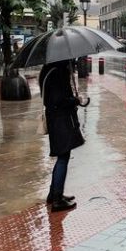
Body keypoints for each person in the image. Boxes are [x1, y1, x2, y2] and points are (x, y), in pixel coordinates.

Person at [39, 59, 86, 212]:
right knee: (63, 156)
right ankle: (57, 200)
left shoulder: (47, 70)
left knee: (62, 155)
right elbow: (59, 99)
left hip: (56, 118)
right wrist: (75, 100)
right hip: (61, 120)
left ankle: (53, 194)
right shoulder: (57, 72)